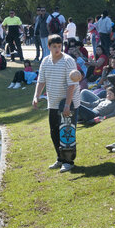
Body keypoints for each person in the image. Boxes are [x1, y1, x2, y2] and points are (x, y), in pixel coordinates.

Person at [32, 34, 80, 173]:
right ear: (49, 47)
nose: (57, 49)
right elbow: (41, 80)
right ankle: (60, 158)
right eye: (54, 46)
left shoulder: (68, 61)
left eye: (59, 46)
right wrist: (36, 96)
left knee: (67, 131)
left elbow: (72, 85)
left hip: (68, 102)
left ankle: (68, 161)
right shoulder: (45, 61)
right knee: (54, 131)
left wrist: (67, 105)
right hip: (52, 102)